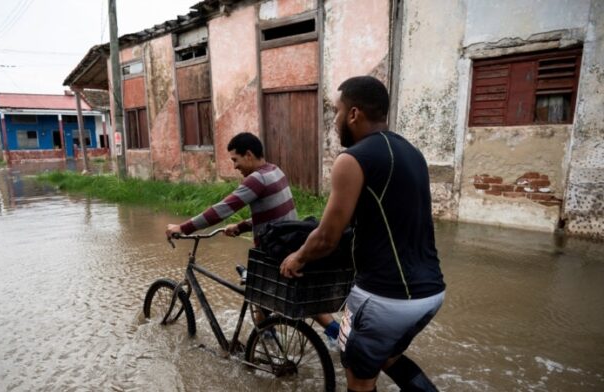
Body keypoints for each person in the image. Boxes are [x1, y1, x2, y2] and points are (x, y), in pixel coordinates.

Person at [280, 76, 446, 392]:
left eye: (337, 112)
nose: (335, 122)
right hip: (430, 293)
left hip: (385, 298)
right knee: (387, 356)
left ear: (354, 114)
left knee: (359, 378)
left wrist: (296, 257)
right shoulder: (412, 153)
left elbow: (327, 237)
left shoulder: (353, 158)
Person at [165, 132, 340, 344]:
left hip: (274, 251)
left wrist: (183, 228)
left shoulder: (256, 180)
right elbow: (275, 216)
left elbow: (220, 211)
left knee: (264, 290)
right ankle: (324, 334)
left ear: (248, 155)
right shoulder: (275, 171)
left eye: (235, 160)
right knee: (286, 295)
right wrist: (242, 226)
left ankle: (261, 344)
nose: (234, 166)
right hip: (289, 242)